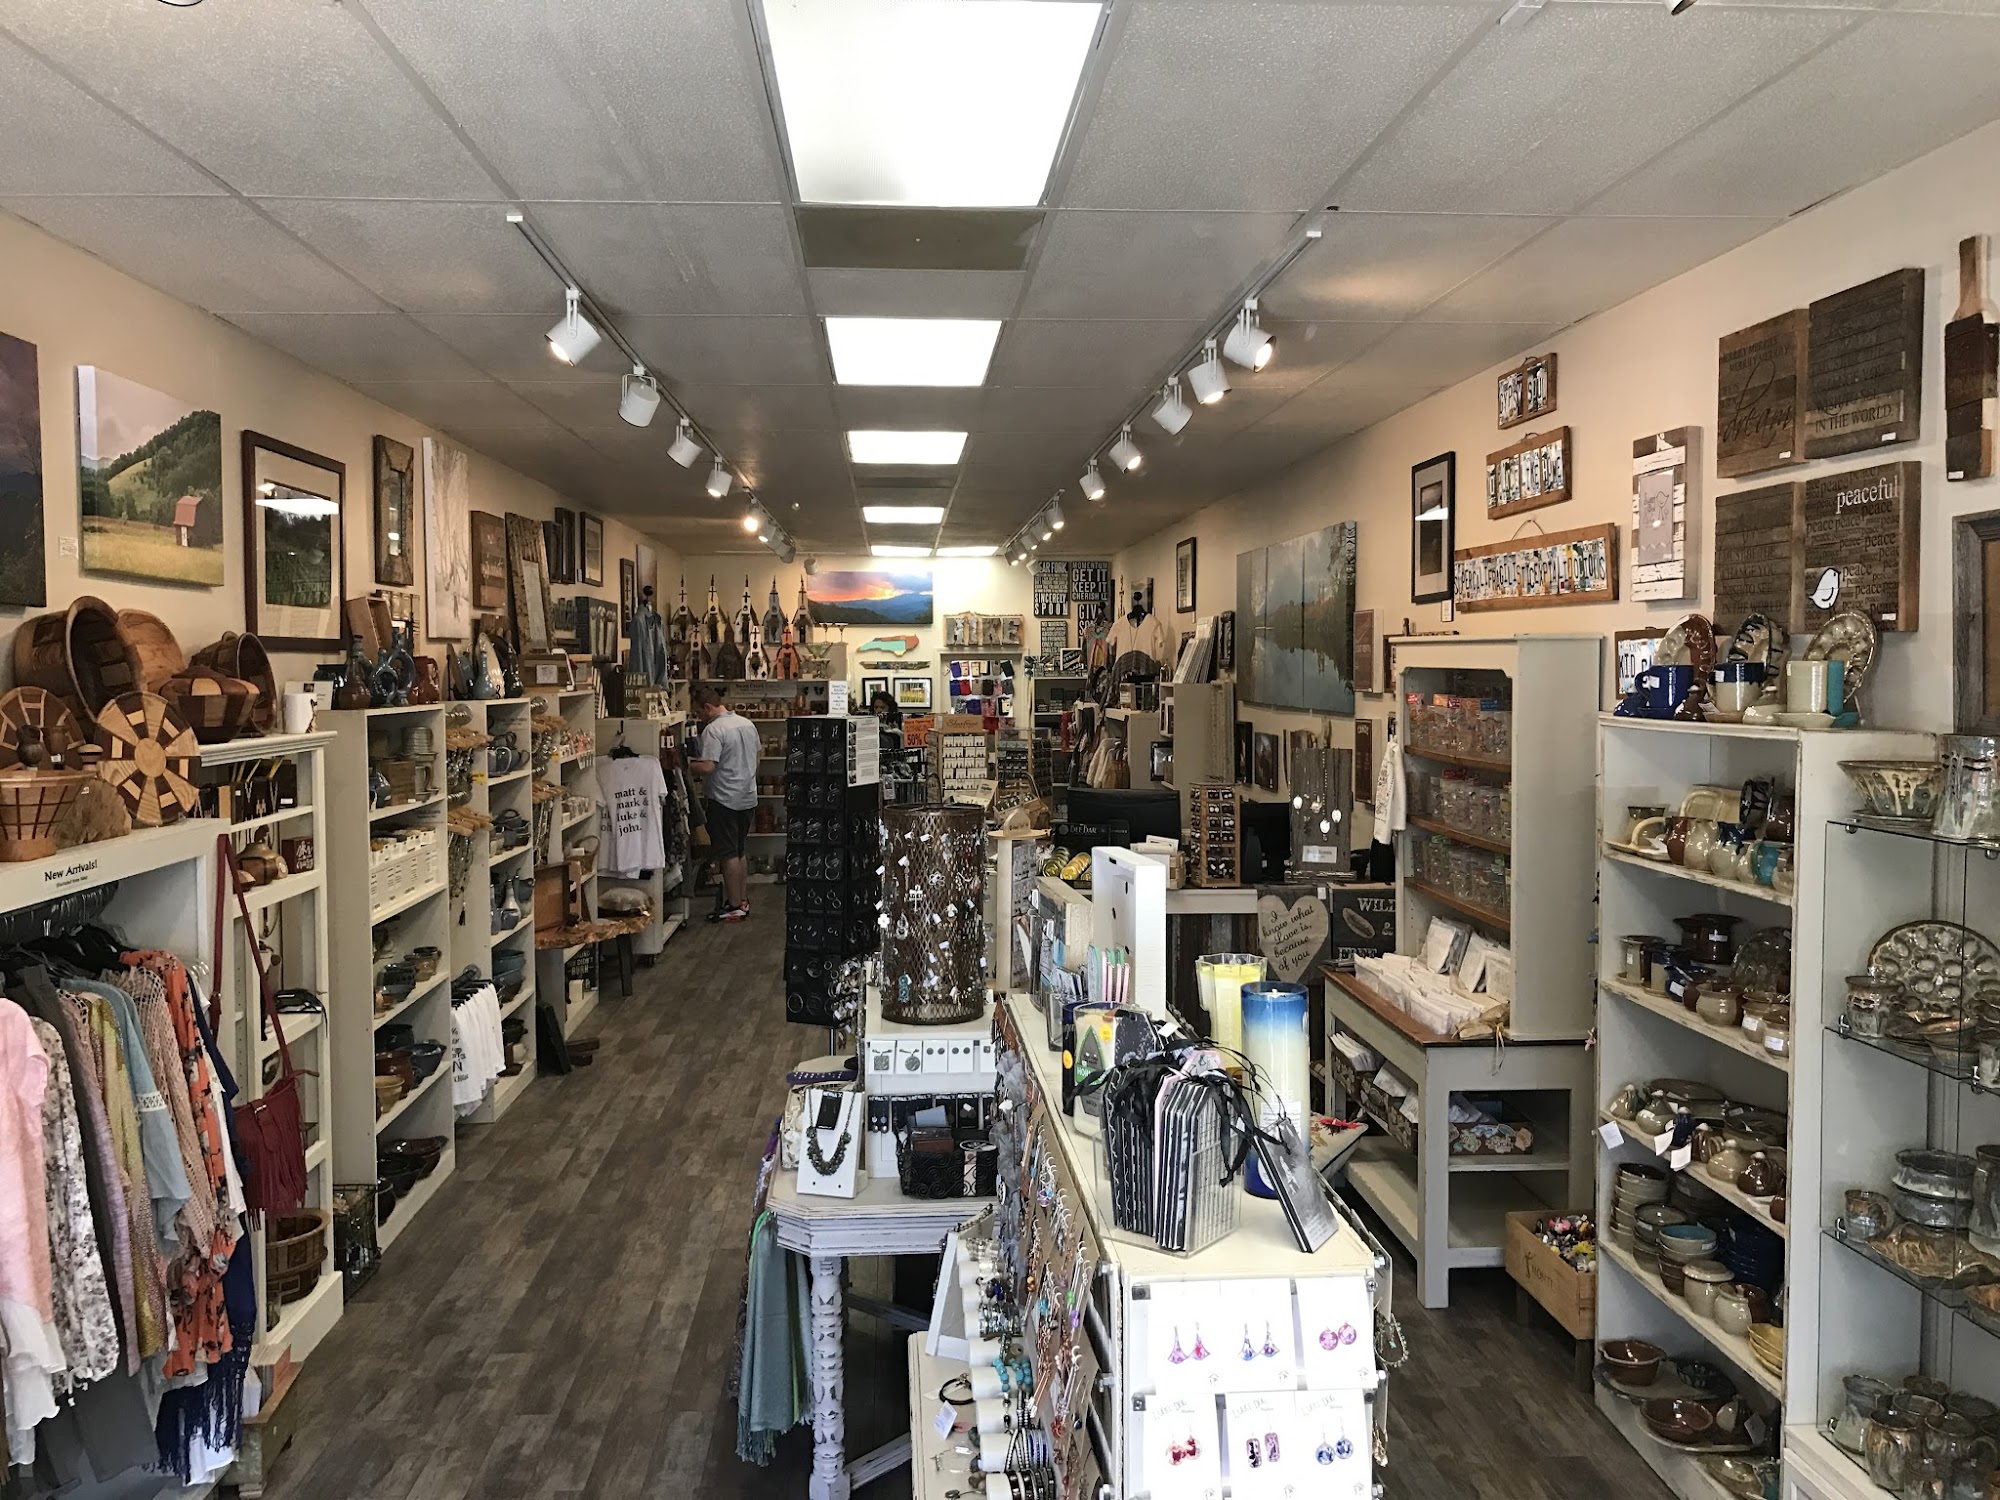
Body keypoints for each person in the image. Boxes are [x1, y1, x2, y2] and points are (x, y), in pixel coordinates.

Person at [689, 684, 761, 922]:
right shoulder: (747, 724)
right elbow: (757, 758)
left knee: (728, 854)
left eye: (698, 712)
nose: (698, 717)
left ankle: (733, 905)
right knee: (739, 851)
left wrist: (685, 764)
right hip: (747, 796)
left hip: (724, 799)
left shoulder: (714, 730)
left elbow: (708, 766)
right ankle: (742, 900)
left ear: (708, 707)